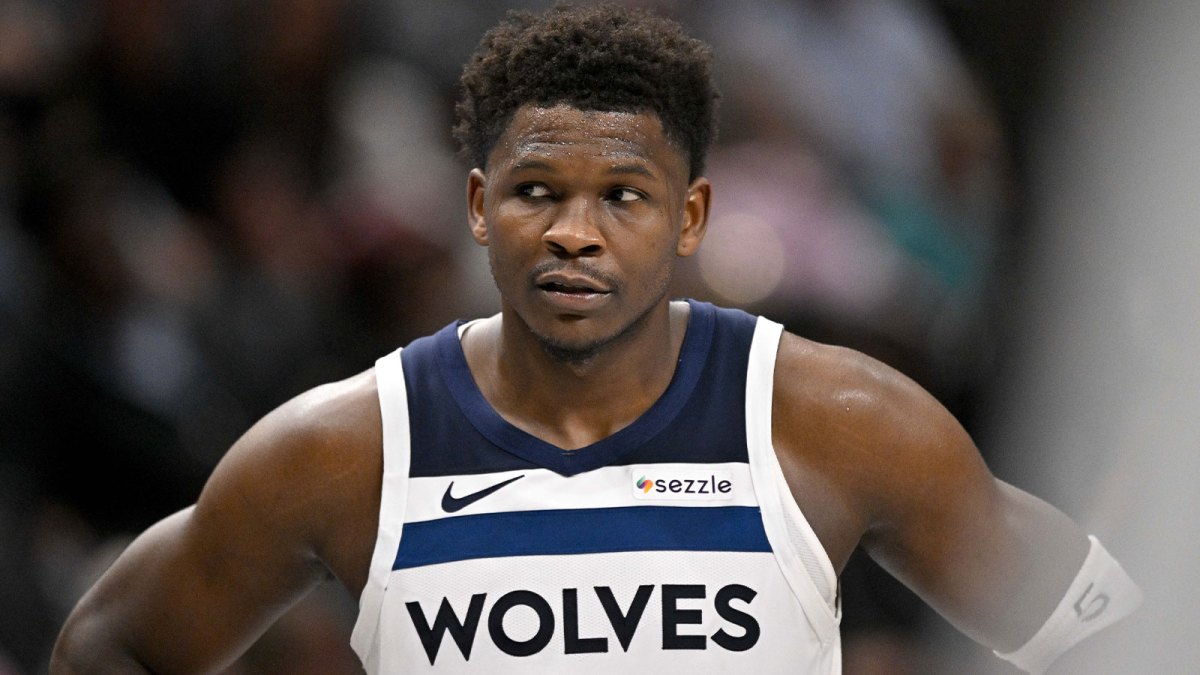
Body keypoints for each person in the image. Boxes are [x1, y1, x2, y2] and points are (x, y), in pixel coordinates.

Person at [50, 5, 1139, 673]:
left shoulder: (834, 421)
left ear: (691, 220)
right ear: (478, 209)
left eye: (624, 194)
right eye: (537, 191)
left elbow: (1106, 635)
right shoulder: (354, 448)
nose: (576, 231)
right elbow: (115, 643)